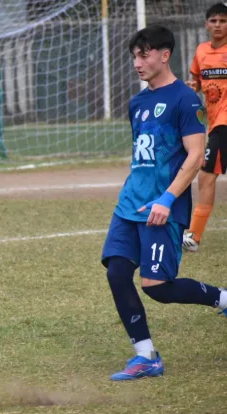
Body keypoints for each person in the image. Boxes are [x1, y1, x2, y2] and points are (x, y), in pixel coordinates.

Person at [102, 25, 226, 381]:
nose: (137, 63)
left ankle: (223, 299)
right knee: (117, 273)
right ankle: (146, 357)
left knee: (158, 288)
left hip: (164, 207)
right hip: (129, 206)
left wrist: (167, 199)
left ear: (164, 54)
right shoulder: (137, 103)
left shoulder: (185, 100)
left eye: (144, 55)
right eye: (135, 56)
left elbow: (195, 155)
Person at [183, 3, 227, 252]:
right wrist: (194, 87)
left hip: (225, 123)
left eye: (223, 20)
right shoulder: (201, 51)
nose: (218, 25)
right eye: (214, 21)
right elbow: (198, 80)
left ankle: (193, 237)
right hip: (215, 123)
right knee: (207, 176)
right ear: (206, 24)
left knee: (206, 175)